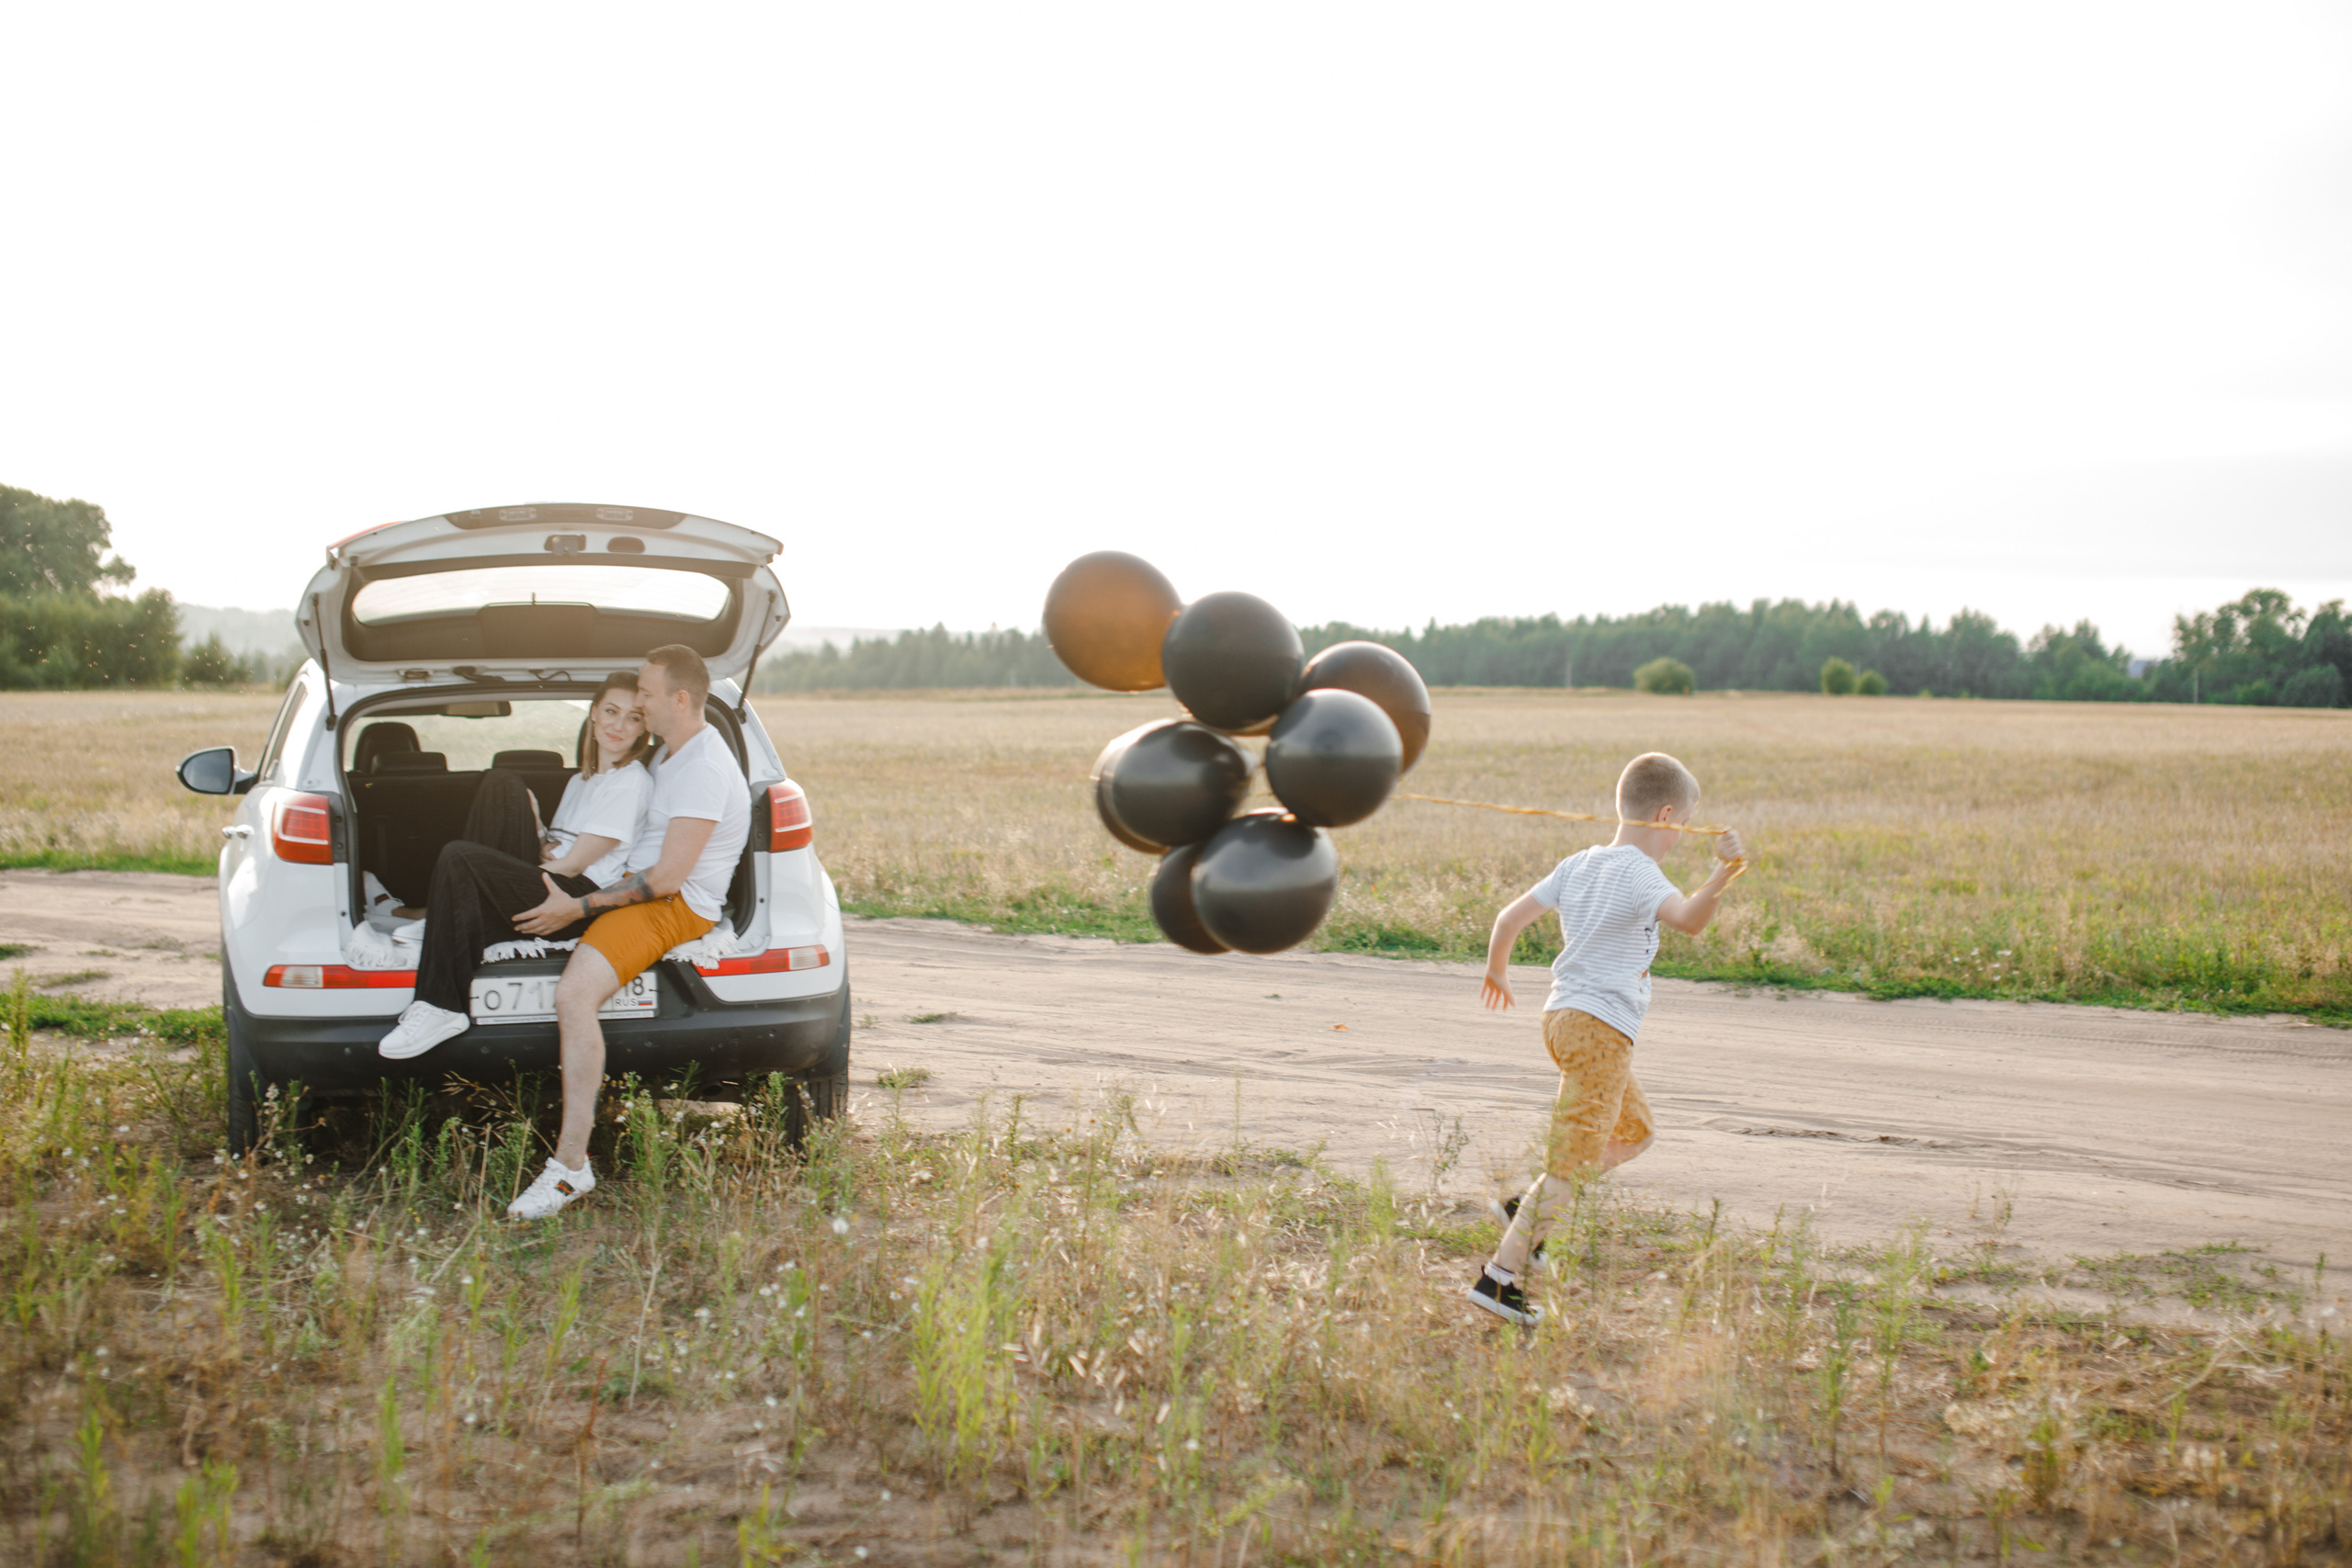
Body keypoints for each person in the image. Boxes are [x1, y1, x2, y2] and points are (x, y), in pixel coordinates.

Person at [1464, 752, 1748, 1325]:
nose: (1683, 835)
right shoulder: (1642, 874)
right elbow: (1690, 920)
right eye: (1685, 823)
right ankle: (1498, 1281)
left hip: (1563, 1020)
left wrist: (1498, 970)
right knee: (1569, 1163)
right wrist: (1724, 874)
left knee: (1636, 1132)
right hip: (1600, 1032)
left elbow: (1507, 920)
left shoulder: (1578, 863)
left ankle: (1524, 1209)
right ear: (1665, 816)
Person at [503, 643, 751, 1220]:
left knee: (573, 996)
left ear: (679, 699)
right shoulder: (671, 753)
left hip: (674, 906)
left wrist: (578, 907)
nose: (638, 702)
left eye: (645, 693)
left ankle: (570, 1168)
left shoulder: (705, 768)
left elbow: (665, 879)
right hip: (635, 887)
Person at [374, 673, 656, 1059]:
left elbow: (573, 866)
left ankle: (442, 1007)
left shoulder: (629, 781)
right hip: (557, 877)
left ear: (643, 730)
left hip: (575, 899)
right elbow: (556, 849)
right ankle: (445, 916)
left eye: (633, 718)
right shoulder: (582, 780)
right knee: (502, 783)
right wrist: (536, 828)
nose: (619, 725)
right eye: (611, 711)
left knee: (460, 856)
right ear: (593, 714)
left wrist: (500, 871)